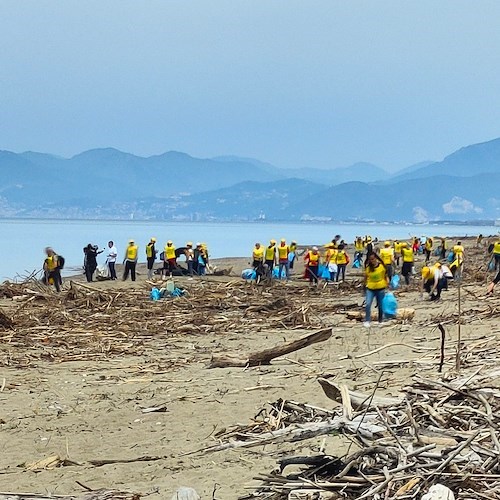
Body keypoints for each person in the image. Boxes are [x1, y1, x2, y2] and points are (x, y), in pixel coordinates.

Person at [363, 252, 388, 328]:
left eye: (373, 259)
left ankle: (380, 320)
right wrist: (364, 286)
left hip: (380, 288)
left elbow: (385, 276)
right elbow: (365, 277)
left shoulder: (381, 267)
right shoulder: (368, 268)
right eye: (370, 259)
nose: (372, 261)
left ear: (376, 258)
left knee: (380, 305)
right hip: (370, 288)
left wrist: (387, 283)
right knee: (368, 304)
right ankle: (367, 320)